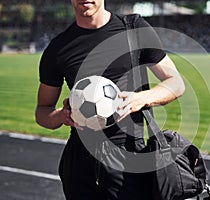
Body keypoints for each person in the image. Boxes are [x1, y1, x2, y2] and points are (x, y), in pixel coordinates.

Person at [35, 0, 185, 199]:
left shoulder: (133, 29)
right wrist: (61, 116)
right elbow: (42, 111)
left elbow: (176, 82)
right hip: (80, 159)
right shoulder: (59, 48)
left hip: (129, 154)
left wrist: (142, 98)